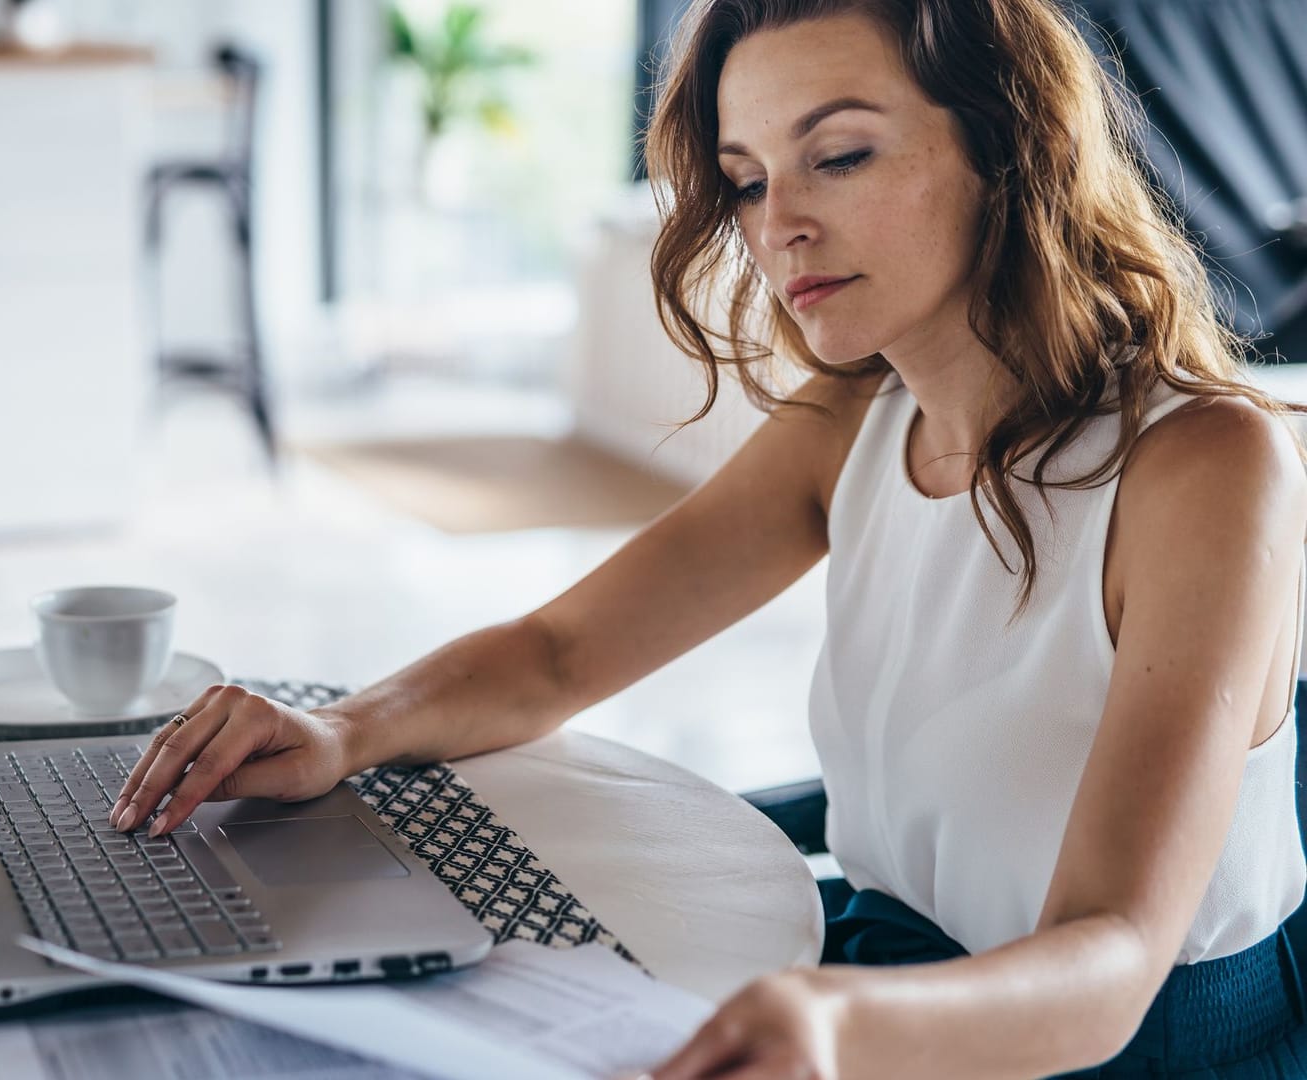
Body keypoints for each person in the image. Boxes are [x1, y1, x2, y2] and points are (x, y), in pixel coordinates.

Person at [110, 0, 1307, 1075]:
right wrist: (339, 730)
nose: (779, 223)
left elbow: (1112, 962)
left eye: (838, 156)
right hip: (883, 999)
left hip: (1122, 1051)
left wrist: (836, 1024)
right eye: (745, 179)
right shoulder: (856, 415)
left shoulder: (1204, 467)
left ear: (1006, 149)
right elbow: (559, 656)